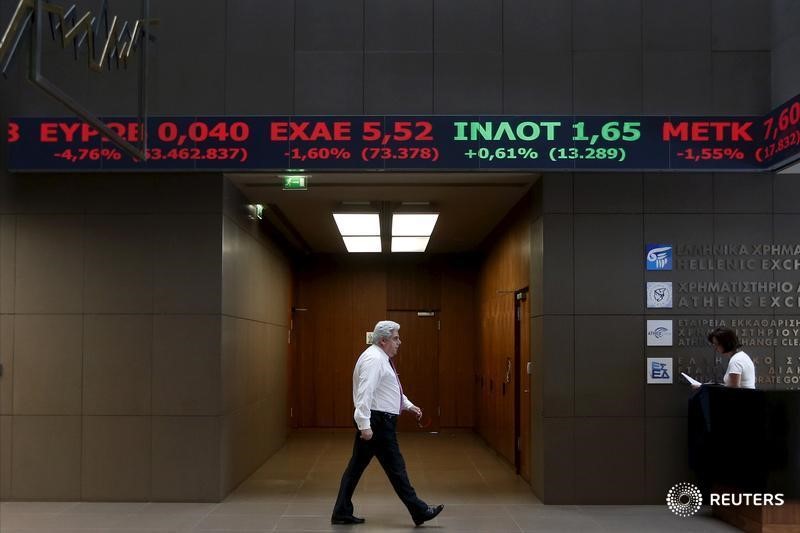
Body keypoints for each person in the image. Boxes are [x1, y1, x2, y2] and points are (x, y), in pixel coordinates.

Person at [331, 320, 444, 526]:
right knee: (396, 468)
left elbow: (388, 389)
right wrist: (364, 424)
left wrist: (408, 405)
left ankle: (341, 511)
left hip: (378, 420)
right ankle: (419, 510)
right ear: (383, 340)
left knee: (356, 468)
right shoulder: (374, 360)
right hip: (379, 423)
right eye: (395, 338)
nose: (399, 342)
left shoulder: (380, 358)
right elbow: (365, 393)